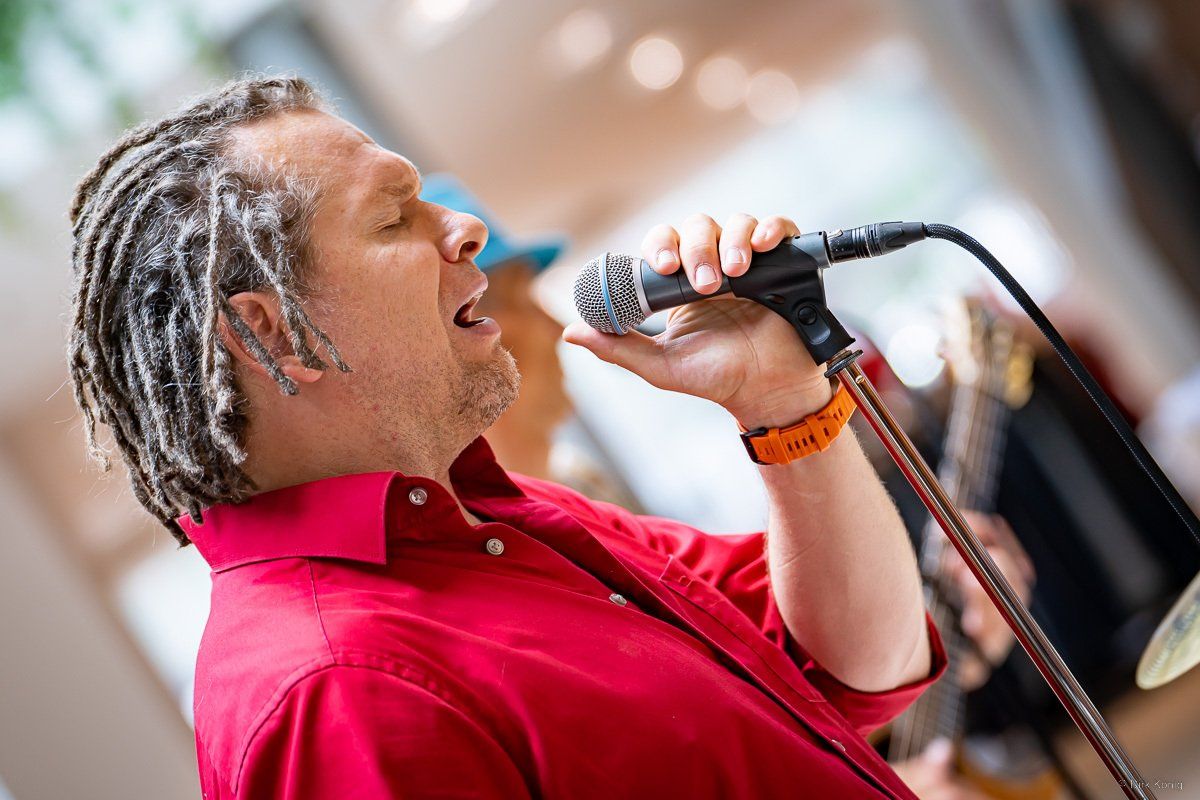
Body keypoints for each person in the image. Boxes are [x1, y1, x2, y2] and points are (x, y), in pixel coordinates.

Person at [66, 76, 944, 799]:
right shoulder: (336, 694)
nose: (468, 231)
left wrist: (783, 403)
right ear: (272, 332)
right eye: (395, 218)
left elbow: (854, 672)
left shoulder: (503, 517)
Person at [419, 175, 641, 508]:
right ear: (473, 329)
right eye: (524, 299)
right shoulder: (461, 525)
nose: (557, 328)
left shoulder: (584, 483)